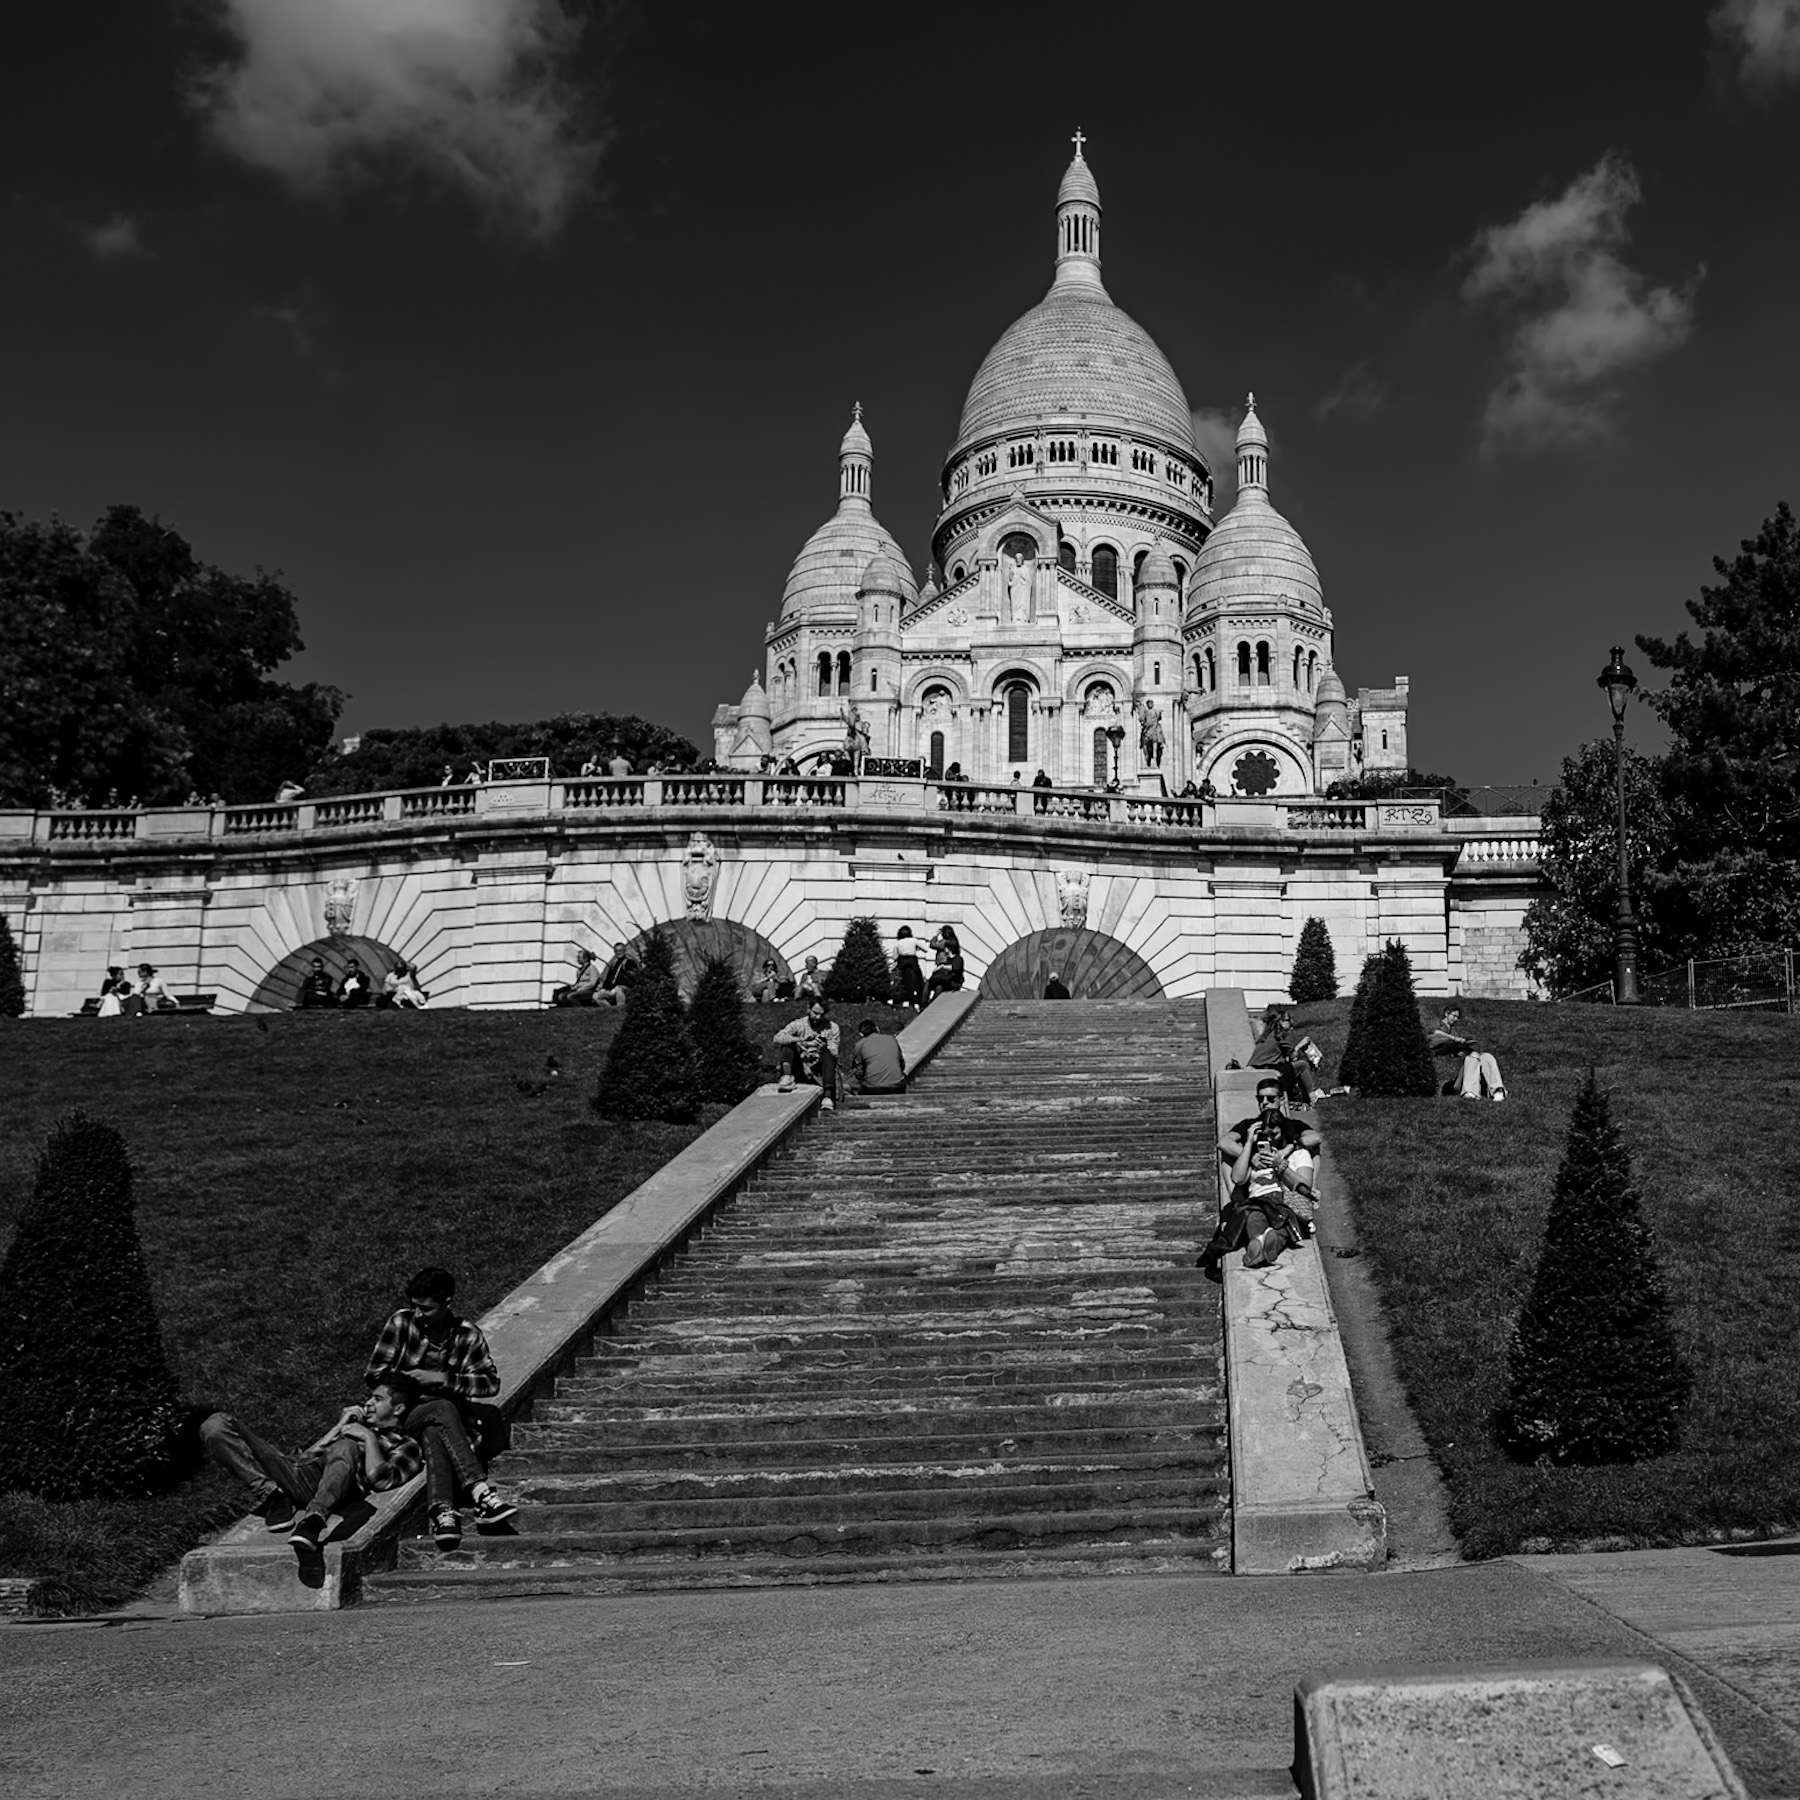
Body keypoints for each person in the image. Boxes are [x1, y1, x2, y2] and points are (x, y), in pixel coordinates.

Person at [364, 1266, 517, 1552]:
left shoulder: (467, 1335)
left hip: (443, 1421)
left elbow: (490, 1383)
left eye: (427, 1309)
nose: (419, 1315)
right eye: (415, 1307)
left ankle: (443, 1514)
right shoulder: (401, 1324)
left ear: (447, 1303)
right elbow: (374, 1374)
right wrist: (411, 1381)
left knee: (436, 1429)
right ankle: (480, 1492)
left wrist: (443, 1379)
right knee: (443, 1408)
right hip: (401, 1416)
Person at [198, 1372, 424, 1555]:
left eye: (378, 1399)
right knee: (217, 1424)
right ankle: (272, 1494)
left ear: (399, 1409)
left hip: (337, 1484)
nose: (368, 1403)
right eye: (370, 1397)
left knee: (347, 1447)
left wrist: (368, 1437)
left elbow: (383, 1480)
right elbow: (306, 1458)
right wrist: (338, 1427)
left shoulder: (407, 1445)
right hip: (299, 1472)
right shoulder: (350, 1428)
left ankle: (314, 1520)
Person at [1199, 1078, 1323, 1281]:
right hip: (1256, 1198)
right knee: (1255, 1215)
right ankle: (1261, 1243)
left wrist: (1287, 1149)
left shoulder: (1293, 1128)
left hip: (1286, 1198)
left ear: (1281, 1099)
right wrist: (1250, 1152)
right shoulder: (1252, 1127)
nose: (1264, 1102)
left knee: (1272, 1220)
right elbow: (1225, 1143)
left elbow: (1314, 1139)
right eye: (1260, 1099)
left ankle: (1257, 1247)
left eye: (1270, 1098)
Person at [1249, 1005, 1328, 1105]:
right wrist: (1300, 1045)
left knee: (1292, 1067)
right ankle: (1312, 1096)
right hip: (1272, 1075)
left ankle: (1300, 1096)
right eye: (1287, 1020)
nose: (1290, 1024)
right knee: (1303, 1065)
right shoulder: (1279, 1038)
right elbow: (1293, 1056)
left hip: (1261, 1073)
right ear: (1281, 1022)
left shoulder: (1266, 1036)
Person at [772, 999, 841, 1113]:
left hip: (818, 1065)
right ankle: (786, 1077)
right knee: (787, 1045)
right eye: (815, 1013)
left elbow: (835, 1052)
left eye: (821, 1014)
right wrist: (800, 1041)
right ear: (808, 1009)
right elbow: (777, 1038)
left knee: (828, 1056)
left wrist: (823, 1047)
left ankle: (827, 1096)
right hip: (800, 1064)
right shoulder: (798, 1024)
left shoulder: (832, 1028)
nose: (818, 1017)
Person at [1430, 1005, 1507, 1102]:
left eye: (1457, 1017)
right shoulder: (1440, 1028)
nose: (1456, 1019)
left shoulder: (1449, 1031)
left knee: (1486, 1056)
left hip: (1466, 1074)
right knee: (1473, 1055)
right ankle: (1470, 1092)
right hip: (1454, 1083)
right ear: (1446, 1014)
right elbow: (1434, 1035)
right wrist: (1455, 1039)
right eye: (1454, 1016)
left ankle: (1498, 1090)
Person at [850, 1018, 907, 1094]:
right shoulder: (891, 1039)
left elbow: (859, 1072)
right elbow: (902, 1064)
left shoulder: (860, 1044)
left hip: (873, 1088)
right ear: (877, 1028)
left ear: (861, 1034)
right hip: (897, 1087)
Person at [925, 927, 964, 1003]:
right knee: (935, 985)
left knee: (936, 985)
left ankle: (930, 1003)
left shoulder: (948, 943)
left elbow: (932, 944)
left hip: (945, 969)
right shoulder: (952, 942)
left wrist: (936, 935)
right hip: (944, 968)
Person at [892, 926, 925, 1011]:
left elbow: (894, 957)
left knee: (901, 984)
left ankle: (901, 1003)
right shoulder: (914, 940)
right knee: (917, 983)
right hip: (913, 965)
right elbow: (925, 949)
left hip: (902, 965)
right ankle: (917, 1003)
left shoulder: (898, 943)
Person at [598, 940, 640, 1005]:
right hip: (613, 989)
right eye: (616, 951)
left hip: (625, 988)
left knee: (619, 989)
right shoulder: (614, 965)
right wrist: (604, 988)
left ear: (624, 951)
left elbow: (633, 978)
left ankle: (620, 1007)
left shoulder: (629, 962)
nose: (619, 953)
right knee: (597, 996)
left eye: (620, 950)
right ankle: (609, 1010)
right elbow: (608, 978)